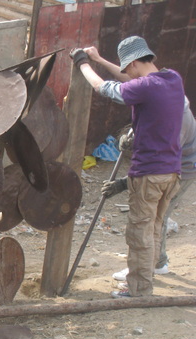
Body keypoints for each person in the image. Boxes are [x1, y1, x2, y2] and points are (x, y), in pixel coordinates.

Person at [70, 36, 184, 298]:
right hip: (171, 172)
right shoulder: (171, 79)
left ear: (133, 63)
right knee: (154, 228)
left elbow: (105, 88)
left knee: (139, 233)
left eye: (126, 68)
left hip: (150, 173)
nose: (126, 73)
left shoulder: (146, 87)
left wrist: (84, 65)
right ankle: (146, 277)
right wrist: (98, 59)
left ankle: (138, 288)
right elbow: (133, 83)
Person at [102, 97, 196, 280]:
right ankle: (158, 262)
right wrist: (131, 135)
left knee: (152, 219)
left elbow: (156, 171)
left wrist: (123, 183)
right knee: (154, 217)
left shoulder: (176, 118)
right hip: (170, 165)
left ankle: (146, 269)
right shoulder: (160, 102)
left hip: (179, 169)